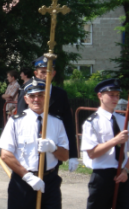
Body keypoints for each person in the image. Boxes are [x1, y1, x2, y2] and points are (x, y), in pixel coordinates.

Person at [0, 78, 69, 209]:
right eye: (32, 96)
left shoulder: (57, 122)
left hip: (50, 181)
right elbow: (5, 154)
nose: (36, 99)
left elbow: (65, 156)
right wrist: (27, 176)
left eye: (40, 95)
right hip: (23, 181)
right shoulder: (16, 122)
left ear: (47, 97)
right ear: (26, 99)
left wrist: (53, 148)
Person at [17, 55, 79, 172]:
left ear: (54, 73)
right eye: (43, 72)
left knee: (51, 182)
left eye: (49, 72)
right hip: (30, 151)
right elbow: (20, 121)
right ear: (36, 73)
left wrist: (73, 154)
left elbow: (68, 125)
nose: (46, 75)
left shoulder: (60, 95)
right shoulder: (27, 91)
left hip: (53, 151)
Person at [81, 79, 129, 209]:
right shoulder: (92, 122)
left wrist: (126, 170)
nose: (115, 98)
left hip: (122, 175)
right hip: (102, 175)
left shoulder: (123, 121)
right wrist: (115, 140)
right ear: (100, 96)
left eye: (117, 95)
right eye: (111, 95)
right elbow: (92, 153)